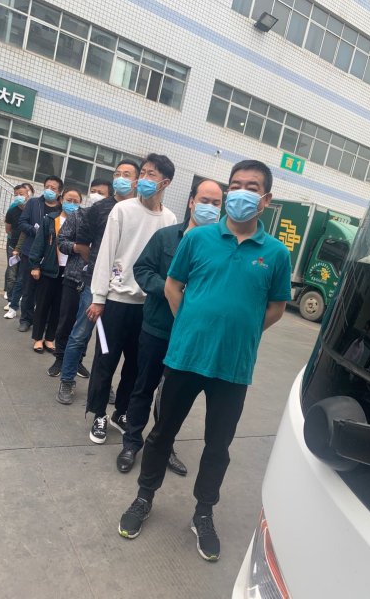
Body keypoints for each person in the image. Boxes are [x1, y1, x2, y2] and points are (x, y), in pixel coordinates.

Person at [118, 160, 292, 563]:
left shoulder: (276, 253)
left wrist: (241, 334)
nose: (242, 192)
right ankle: (144, 496)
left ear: (265, 199)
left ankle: (203, 512)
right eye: (236, 185)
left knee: (218, 446)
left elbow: (277, 308)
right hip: (185, 357)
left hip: (233, 368)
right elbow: (173, 285)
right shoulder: (197, 239)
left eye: (252, 187)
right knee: (162, 433)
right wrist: (191, 324)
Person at [117, 179, 224, 476]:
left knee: (173, 399)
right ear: (191, 202)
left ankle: (164, 447)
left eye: (216, 203)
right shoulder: (166, 237)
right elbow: (141, 269)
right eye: (204, 200)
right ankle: (131, 442)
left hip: (192, 338)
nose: (210, 207)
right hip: (158, 328)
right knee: (143, 388)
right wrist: (168, 289)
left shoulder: (222, 248)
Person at [86, 153, 177, 444]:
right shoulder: (123, 209)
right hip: (115, 301)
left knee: (136, 366)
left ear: (165, 182)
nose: (144, 179)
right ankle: (99, 413)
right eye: (143, 173)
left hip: (148, 306)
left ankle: (121, 412)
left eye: (152, 174)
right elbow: (106, 252)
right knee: (105, 361)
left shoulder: (169, 219)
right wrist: (99, 297)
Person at [56, 160, 140, 403]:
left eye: (127, 174)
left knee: (111, 342)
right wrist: (98, 268)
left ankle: (103, 385)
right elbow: (83, 245)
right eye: (118, 173)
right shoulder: (99, 209)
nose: (121, 178)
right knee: (80, 334)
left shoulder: (139, 210)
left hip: (123, 287)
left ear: (136, 181)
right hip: (94, 283)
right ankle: (67, 380)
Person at [29, 189, 82, 353]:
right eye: (69, 200)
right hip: (50, 269)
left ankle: (50, 338)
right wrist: (35, 265)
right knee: (43, 305)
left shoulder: (82, 222)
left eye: (76, 201)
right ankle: (38, 338)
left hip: (70, 272)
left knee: (59, 308)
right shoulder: (50, 219)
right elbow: (39, 243)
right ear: (61, 200)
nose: (72, 204)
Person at [46, 197, 89, 378]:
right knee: (65, 320)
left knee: (85, 326)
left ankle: (77, 360)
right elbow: (61, 241)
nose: (97, 196)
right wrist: (77, 247)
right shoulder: (79, 216)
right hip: (72, 277)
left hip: (95, 282)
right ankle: (60, 358)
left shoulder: (112, 217)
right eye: (94, 192)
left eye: (102, 193)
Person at [17, 176, 63, 332]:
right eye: (47, 186)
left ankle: (43, 321)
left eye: (53, 188)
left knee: (47, 292)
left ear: (59, 192)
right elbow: (22, 222)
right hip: (30, 253)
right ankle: (26, 319)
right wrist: (37, 231)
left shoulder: (62, 209)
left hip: (51, 257)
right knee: (28, 290)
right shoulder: (33, 203)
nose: (49, 190)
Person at [3, 184, 29, 312]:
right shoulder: (12, 211)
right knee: (11, 275)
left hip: (26, 248)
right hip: (13, 246)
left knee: (22, 275)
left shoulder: (31, 210)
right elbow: (8, 229)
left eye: (21, 194)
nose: (19, 196)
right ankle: (10, 300)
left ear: (28, 195)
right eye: (16, 194)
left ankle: (19, 299)